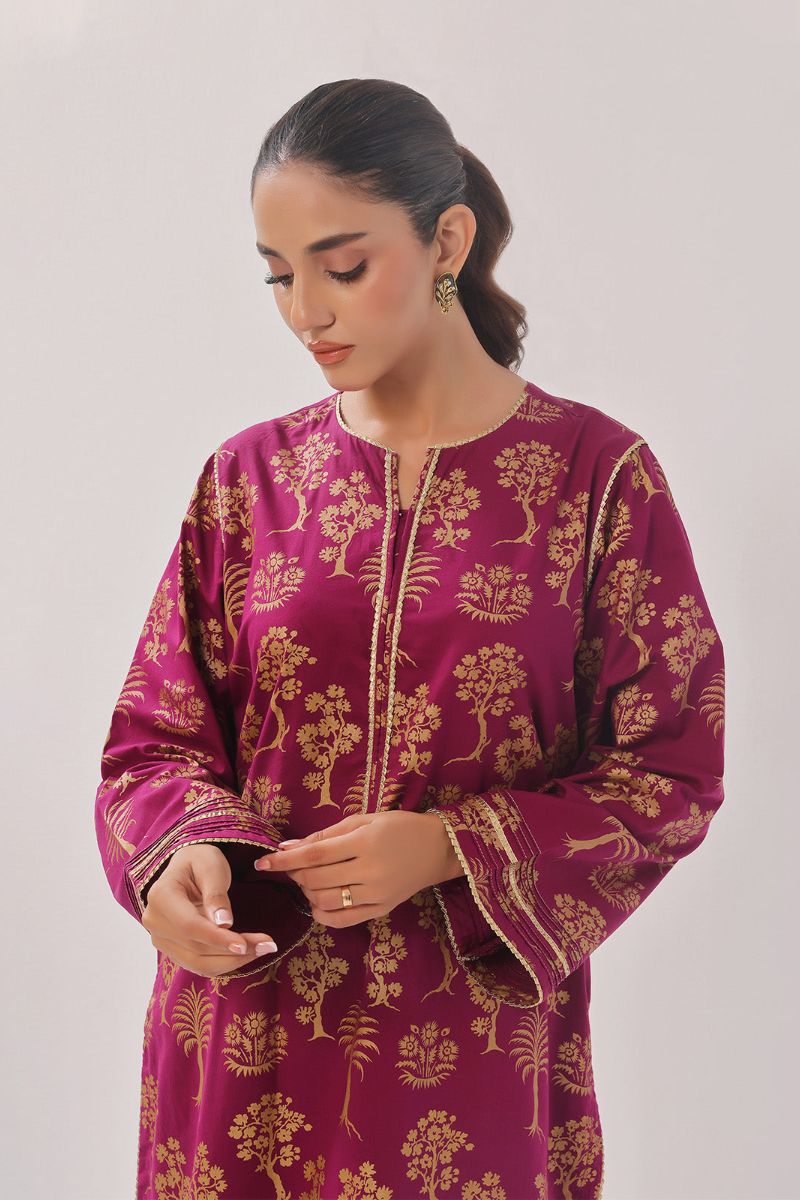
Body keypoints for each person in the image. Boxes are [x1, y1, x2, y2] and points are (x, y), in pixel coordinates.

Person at [95, 78, 726, 1200]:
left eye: (342, 268)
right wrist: (174, 862)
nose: (306, 312)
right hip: (243, 1040)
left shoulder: (595, 481)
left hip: (469, 1054)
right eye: (278, 276)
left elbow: (669, 770)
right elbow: (154, 738)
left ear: (446, 241)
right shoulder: (248, 479)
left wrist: (448, 848)